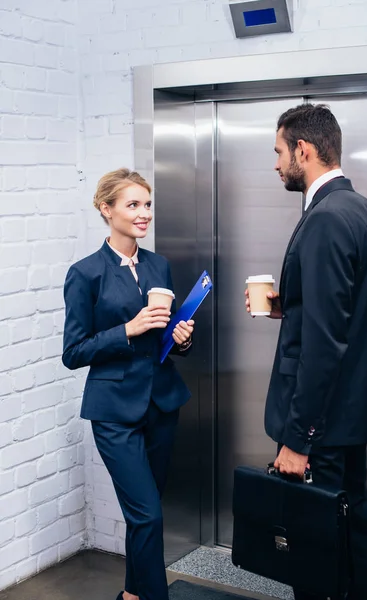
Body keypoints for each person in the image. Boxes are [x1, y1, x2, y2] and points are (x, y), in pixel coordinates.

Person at [246, 104, 367, 599]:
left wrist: (298, 440)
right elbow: (343, 315)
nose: (275, 164)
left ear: (303, 150)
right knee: (352, 527)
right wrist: (283, 306)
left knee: (315, 553)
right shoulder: (364, 212)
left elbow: (325, 342)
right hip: (351, 412)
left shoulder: (327, 218)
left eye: (278, 152)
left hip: (323, 422)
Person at [62, 169, 194, 600]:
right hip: (115, 413)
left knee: (147, 516)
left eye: (147, 204)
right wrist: (128, 329)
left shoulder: (159, 265)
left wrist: (180, 339)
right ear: (107, 209)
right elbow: (73, 352)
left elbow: (166, 340)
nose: (144, 214)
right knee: (148, 517)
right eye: (132, 204)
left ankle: (133, 595)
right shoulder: (86, 274)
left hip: (161, 404)